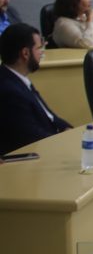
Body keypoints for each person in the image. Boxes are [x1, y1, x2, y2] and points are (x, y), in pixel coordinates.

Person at [0, 23, 71, 155]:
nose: (42, 53)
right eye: (39, 48)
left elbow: (50, 117)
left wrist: (70, 130)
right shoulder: (9, 90)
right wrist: (65, 141)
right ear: (25, 53)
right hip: (35, 156)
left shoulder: (17, 78)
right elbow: (32, 136)